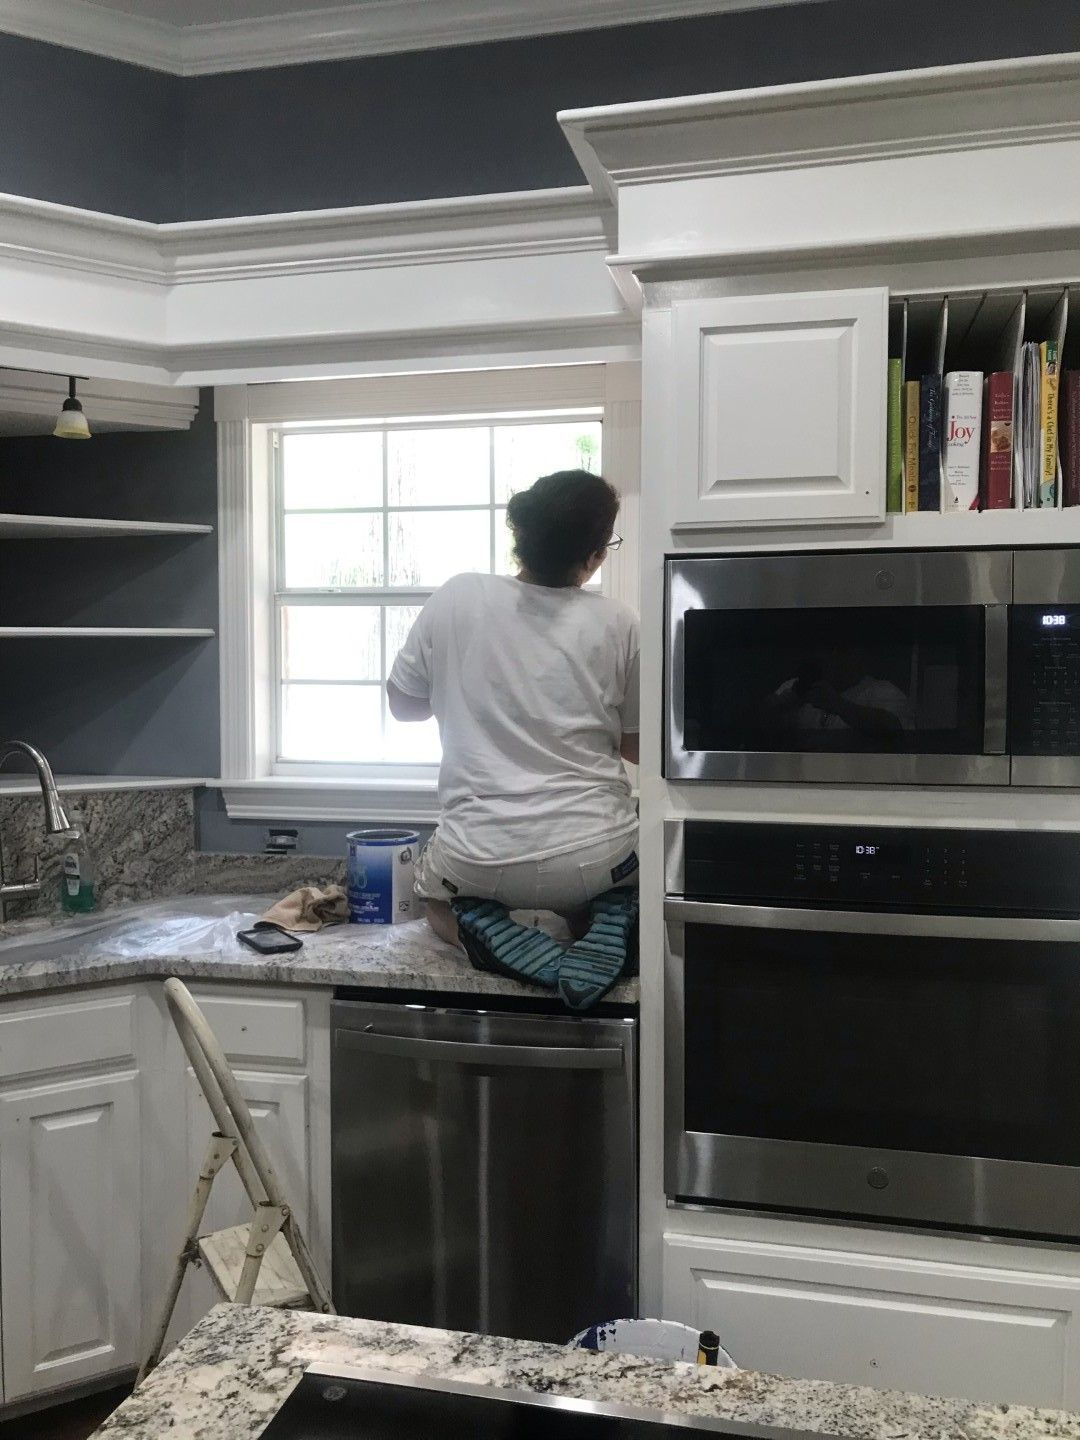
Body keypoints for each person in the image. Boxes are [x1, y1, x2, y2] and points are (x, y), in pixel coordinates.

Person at [386, 468, 640, 1009]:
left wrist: (464, 693)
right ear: (594, 556)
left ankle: (479, 928)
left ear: (519, 535)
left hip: (480, 855)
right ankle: (612, 911)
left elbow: (402, 706)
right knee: (612, 889)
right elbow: (637, 747)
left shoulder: (458, 595)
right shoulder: (620, 622)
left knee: (435, 904)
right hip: (598, 852)